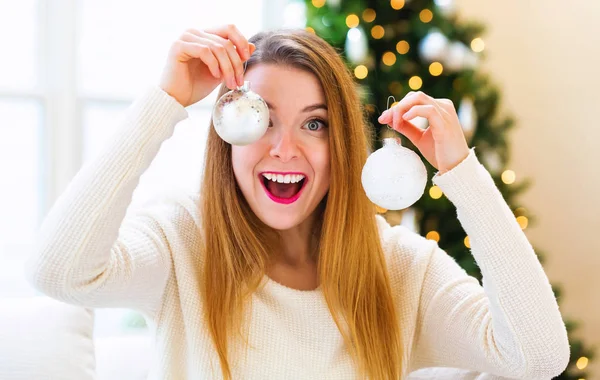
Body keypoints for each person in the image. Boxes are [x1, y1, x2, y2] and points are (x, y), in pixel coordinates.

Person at [25, 24, 570, 380]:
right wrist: (164, 101)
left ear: (341, 145)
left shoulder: (400, 269)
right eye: (260, 118)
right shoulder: (181, 242)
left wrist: (461, 172)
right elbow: (59, 271)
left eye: (315, 123)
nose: (285, 149)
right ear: (225, 134)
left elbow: (539, 355)